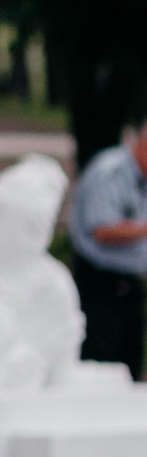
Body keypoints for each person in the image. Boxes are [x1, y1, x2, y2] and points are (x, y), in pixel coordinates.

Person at [63, 115, 147, 378]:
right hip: (100, 286)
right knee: (101, 366)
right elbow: (101, 230)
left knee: (129, 367)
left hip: (130, 287)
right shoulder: (110, 172)